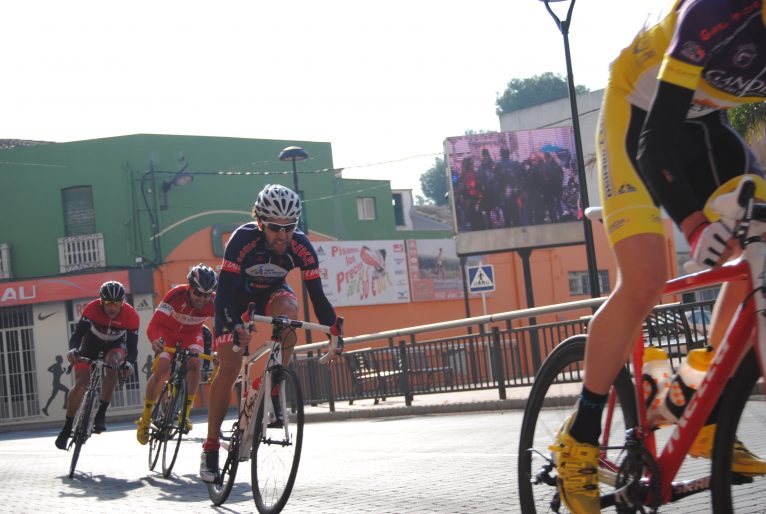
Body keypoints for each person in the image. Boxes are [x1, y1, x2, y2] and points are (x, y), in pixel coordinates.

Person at [551, 1, 766, 512]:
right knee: (647, 279)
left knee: (755, 245)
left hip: (705, 125)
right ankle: (579, 437)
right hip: (639, 119)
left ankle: (705, 410)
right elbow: (655, 145)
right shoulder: (717, 11)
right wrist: (693, 223)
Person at [199, 184, 343, 483]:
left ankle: (274, 386)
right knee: (227, 366)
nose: (283, 234)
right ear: (260, 222)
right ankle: (211, 448)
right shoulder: (242, 240)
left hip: (273, 294)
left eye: (289, 227)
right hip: (235, 298)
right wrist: (235, 325)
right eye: (275, 227)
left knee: (290, 314)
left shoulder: (301, 246)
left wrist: (333, 330)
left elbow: (317, 297)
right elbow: (223, 294)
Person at [135, 264, 217, 445]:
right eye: (198, 294)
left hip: (192, 334)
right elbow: (154, 325)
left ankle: (185, 414)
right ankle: (146, 418)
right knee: (162, 369)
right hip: (167, 333)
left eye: (206, 295)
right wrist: (155, 340)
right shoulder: (175, 295)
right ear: (189, 288)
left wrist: (219, 350)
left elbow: (221, 327)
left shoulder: (213, 302)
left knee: (195, 364)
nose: (202, 299)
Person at [55, 281, 138, 449]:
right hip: (91, 343)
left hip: (115, 345)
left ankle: (101, 414)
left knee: (113, 365)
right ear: (101, 301)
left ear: (123, 302)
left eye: (117, 303)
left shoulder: (131, 315)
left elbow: (132, 347)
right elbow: (78, 334)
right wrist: (73, 349)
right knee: (80, 385)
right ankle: (67, 426)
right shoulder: (92, 308)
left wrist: (129, 363)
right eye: (108, 303)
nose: (112, 308)